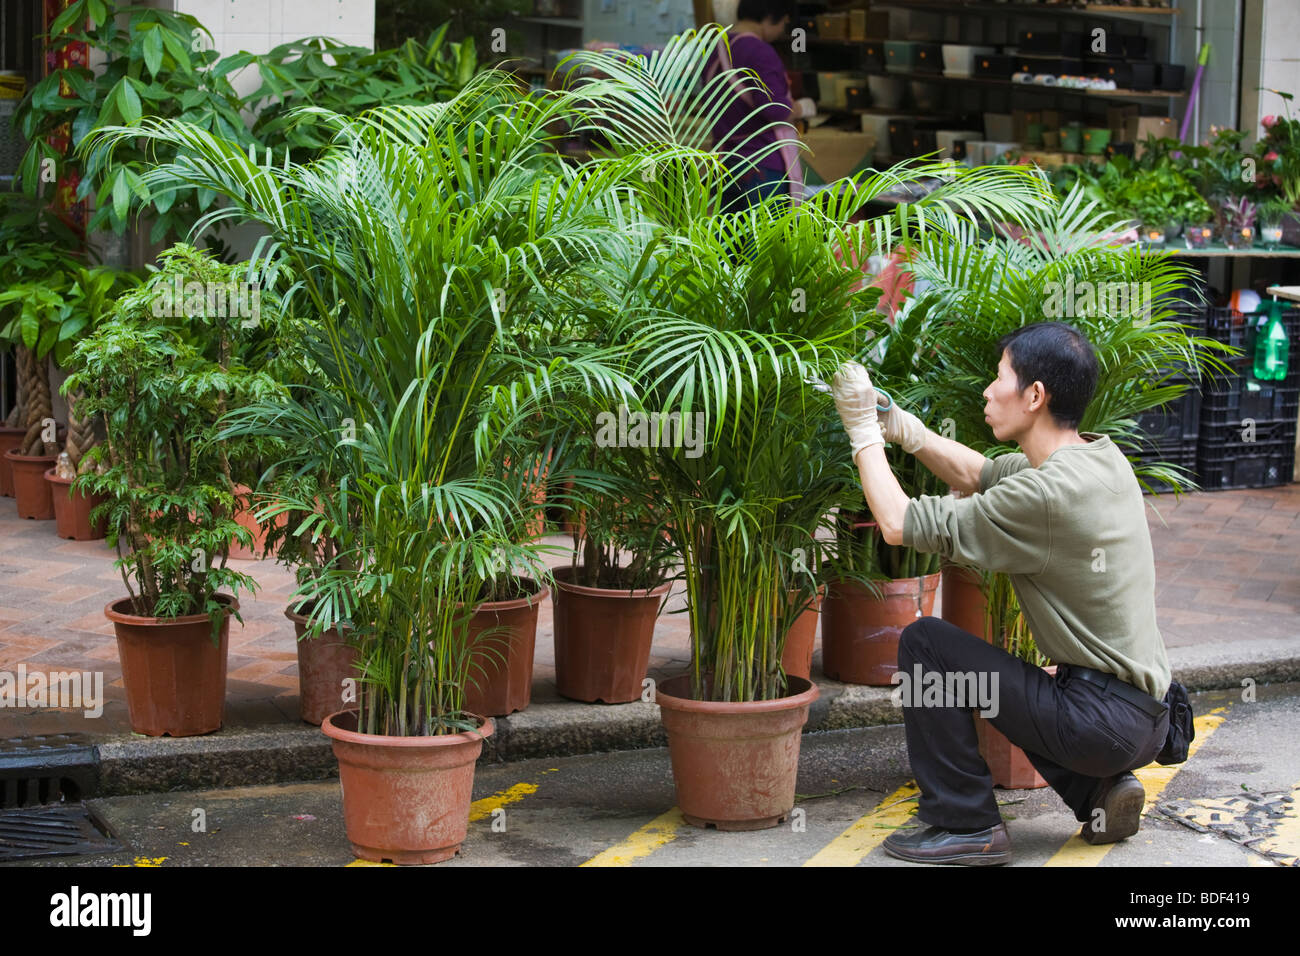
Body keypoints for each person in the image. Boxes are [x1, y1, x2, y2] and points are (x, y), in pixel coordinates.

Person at [831, 320, 1172, 866]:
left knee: (926, 645)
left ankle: (965, 823)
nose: (987, 391)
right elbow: (981, 473)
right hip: (1144, 718)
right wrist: (901, 428)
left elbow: (896, 523)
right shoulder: (1097, 458)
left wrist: (861, 433)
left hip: (1098, 723)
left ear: (1035, 396)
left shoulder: (1044, 496)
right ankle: (1098, 793)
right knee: (1023, 685)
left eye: (999, 379)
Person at [707, 0, 817, 212]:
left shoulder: (716, 48)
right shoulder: (759, 51)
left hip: (725, 161)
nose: (782, 30)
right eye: (783, 23)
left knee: (729, 240)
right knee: (764, 242)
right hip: (762, 163)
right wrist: (804, 108)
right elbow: (775, 109)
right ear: (769, 17)